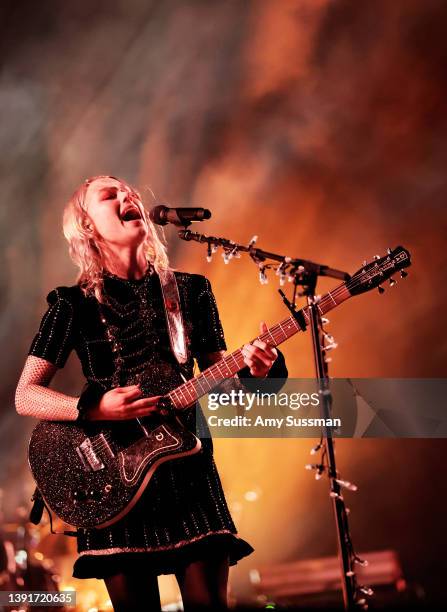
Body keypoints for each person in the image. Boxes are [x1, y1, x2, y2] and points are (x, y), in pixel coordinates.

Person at [15, 175, 288, 610]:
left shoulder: (192, 290)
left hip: (190, 475)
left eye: (131, 193)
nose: (128, 197)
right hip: (110, 479)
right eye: (110, 195)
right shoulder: (71, 304)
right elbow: (26, 395)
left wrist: (263, 371)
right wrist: (95, 408)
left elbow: (227, 387)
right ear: (87, 226)